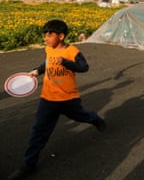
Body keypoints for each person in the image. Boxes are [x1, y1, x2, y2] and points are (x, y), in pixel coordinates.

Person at [8, 20, 106, 180]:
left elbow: (84, 67)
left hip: (69, 99)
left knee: (81, 116)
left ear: (60, 36)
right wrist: (37, 71)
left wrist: (66, 63)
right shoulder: (48, 49)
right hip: (48, 99)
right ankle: (28, 165)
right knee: (38, 131)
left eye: (49, 35)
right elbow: (47, 63)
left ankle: (94, 119)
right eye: (44, 35)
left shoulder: (72, 51)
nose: (45, 38)